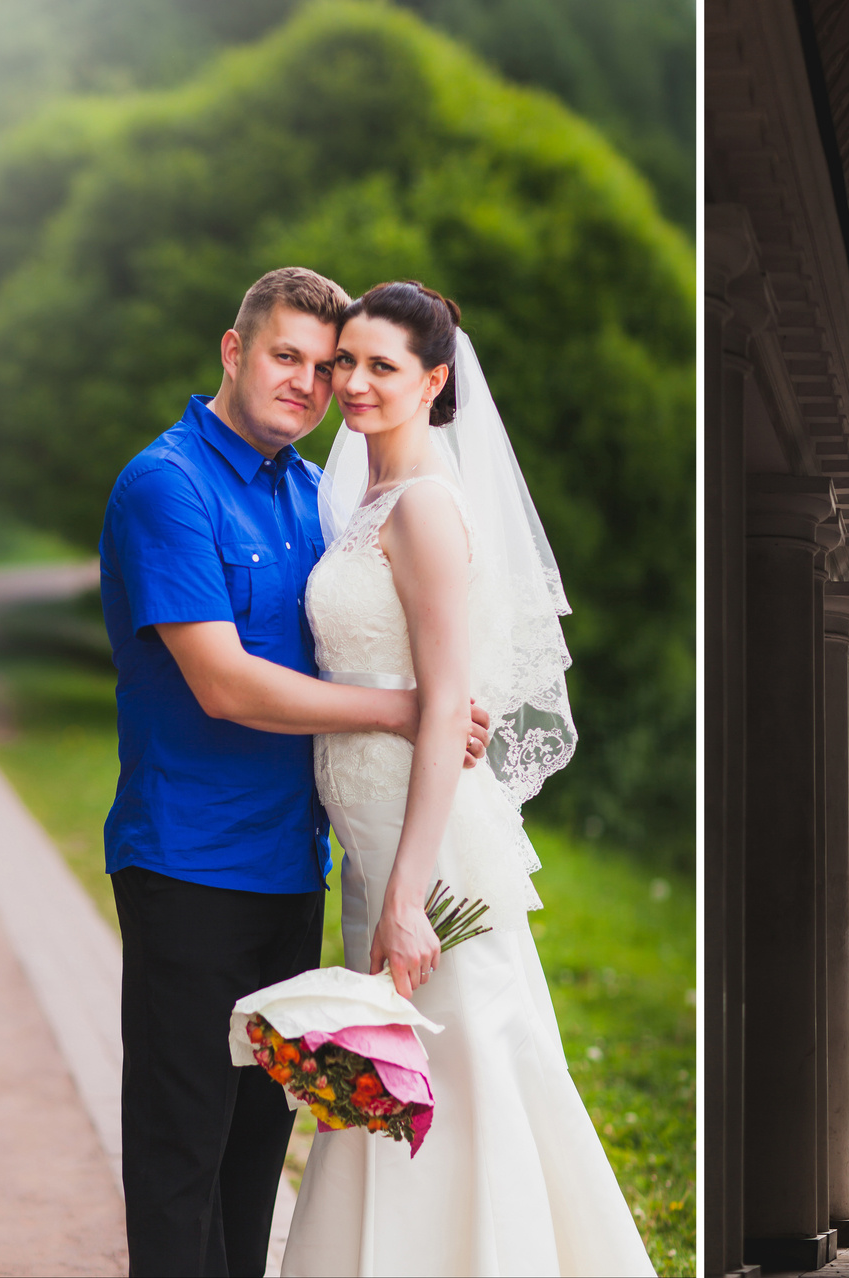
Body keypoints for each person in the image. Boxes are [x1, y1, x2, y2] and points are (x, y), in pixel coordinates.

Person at [98, 267, 491, 1276]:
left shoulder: (311, 494)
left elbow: (373, 640)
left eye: (328, 370)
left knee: (250, 1160)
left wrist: (445, 708)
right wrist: (412, 711)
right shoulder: (167, 484)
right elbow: (226, 686)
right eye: (288, 358)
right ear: (234, 352)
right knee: (182, 1154)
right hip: (188, 863)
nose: (310, 386)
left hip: (292, 870)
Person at [279, 281, 652, 1274]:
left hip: (423, 841)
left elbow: (446, 701)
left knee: (459, 1055)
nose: (352, 384)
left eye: (381, 367)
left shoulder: (428, 509)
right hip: (371, 829)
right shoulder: (362, 501)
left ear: (434, 380)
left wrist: (408, 895)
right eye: (344, 361)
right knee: (391, 1060)